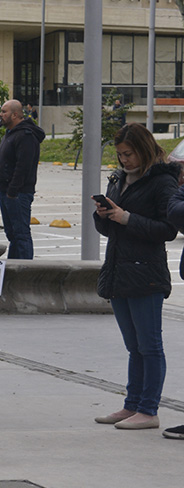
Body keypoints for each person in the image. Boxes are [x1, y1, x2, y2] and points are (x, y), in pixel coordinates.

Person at [93, 124, 178, 431]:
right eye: (119, 155)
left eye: (128, 154)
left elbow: (168, 229)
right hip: (119, 270)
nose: (124, 160)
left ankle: (148, 409)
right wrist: (103, 216)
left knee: (150, 345)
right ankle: (132, 404)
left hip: (147, 272)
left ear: (143, 149)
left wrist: (128, 218)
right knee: (134, 346)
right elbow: (110, 229)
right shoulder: (118, 178)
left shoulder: (162, 181)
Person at [0, 98, 45, 260]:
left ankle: (24, 270)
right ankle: (12, 269)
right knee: (13, 235)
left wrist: (12, 191)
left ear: (15, 115)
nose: (1, 115)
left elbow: (23, 166)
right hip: (6, 192)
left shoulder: (26, 135)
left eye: (4, 112)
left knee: (21, 234)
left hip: (17, 194)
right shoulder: (11, 133)